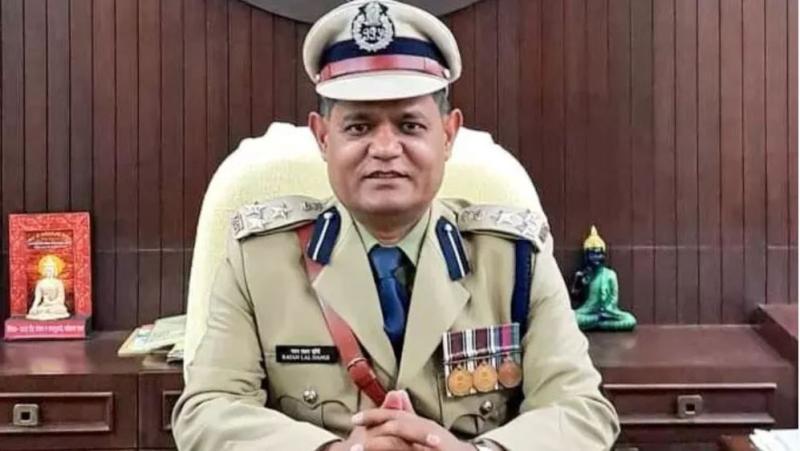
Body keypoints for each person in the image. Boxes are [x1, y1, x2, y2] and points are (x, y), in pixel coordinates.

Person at [171, 1, 620, 450]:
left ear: (447, 135)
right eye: (359, 127)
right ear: (323, 138)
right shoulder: (258, 260)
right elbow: (208, 409)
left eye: (409, 125)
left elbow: (581, 411)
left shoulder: (515, 259)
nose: (385, 148)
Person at [26, 255, 69, 321]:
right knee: (37, 310)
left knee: (61, 310)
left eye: (51, 269)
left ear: (54, 270)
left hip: (56, 306)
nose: (49, 271)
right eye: (47, 270)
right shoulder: (40, 283)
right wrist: (34, 307)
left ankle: (48, 311)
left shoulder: (58, 283)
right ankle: (45, 311)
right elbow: (37, 298)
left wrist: (51, 303)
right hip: (44, 305)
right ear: (44, 270)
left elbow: (61, 299)